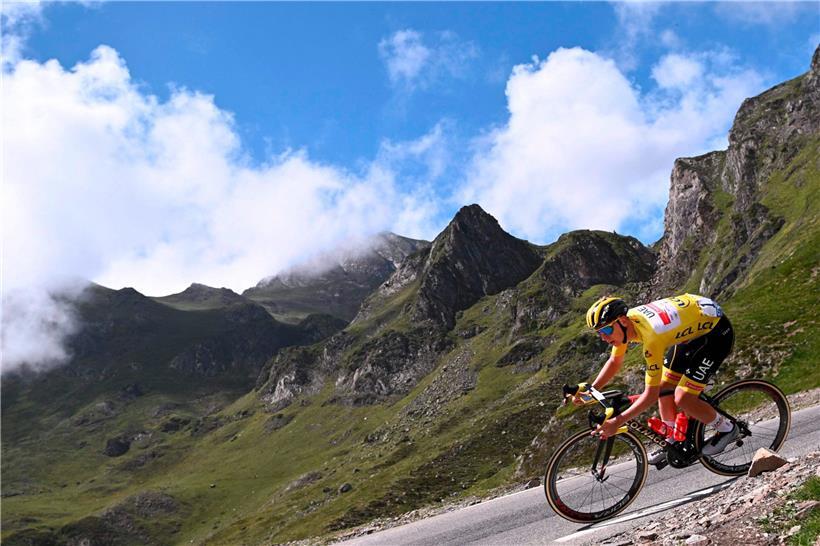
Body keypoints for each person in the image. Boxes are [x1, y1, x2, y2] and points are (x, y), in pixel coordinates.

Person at [579, 294, 737, 465]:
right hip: (691, 327)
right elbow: (614, 361)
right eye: (599, 333)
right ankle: (673, 438)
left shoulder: (651, 338)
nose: (603, 337)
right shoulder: (626, 325)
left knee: (683, 397)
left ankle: (727, 428)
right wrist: (590, 391)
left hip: (717, 334)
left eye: (606, 331)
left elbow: (650, 396)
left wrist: (617, 422)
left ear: (623, 321)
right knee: (665, 386)